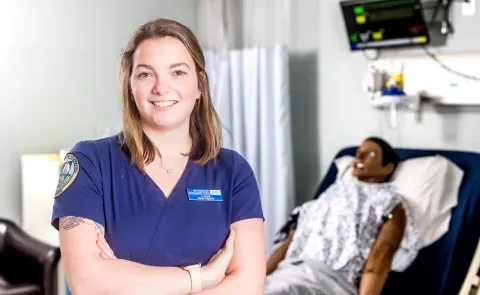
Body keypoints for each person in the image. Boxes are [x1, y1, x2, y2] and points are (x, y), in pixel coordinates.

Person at [51, 18, 266, 295]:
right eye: (145, 74)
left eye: (177, 72)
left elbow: (247, 286)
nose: (161, 88)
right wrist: (200, 279)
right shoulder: (89, 163)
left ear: (200, 85)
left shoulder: (233, 171)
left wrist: (122, 281)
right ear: (130, 84)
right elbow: (87, 282)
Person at [263, 137, 420, 295]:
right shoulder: (331, 193)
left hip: (328, 282)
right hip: (289, 271)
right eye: (359, 153)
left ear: (387, 167)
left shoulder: (388, 203)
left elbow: (380, 257)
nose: (359, 158)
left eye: (369, 154)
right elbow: (292, 240)